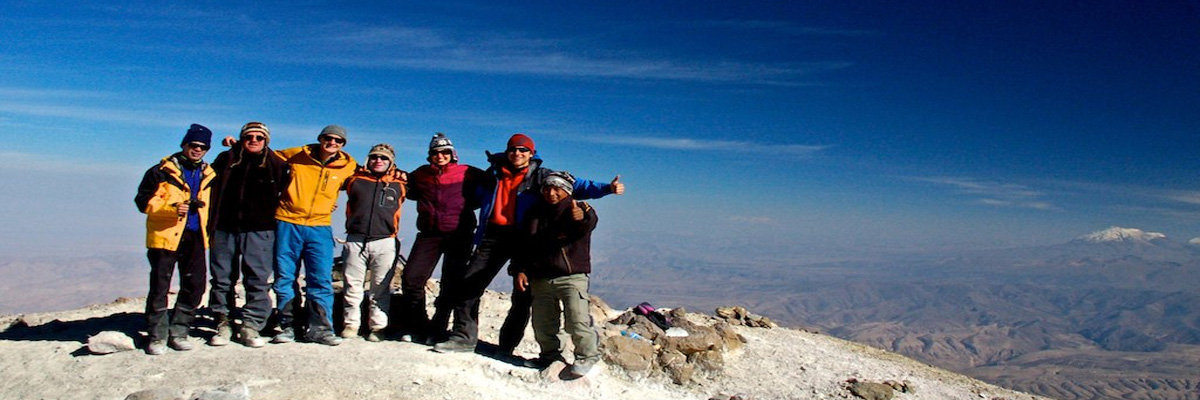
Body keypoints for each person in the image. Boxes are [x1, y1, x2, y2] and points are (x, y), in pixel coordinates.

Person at [433, 133, 624, 354]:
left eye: (523, 150)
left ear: (531, 154)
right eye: (513, 149)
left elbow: (574, 184)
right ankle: (463, 337)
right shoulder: (493, 173)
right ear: (507, 152)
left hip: (525, 238)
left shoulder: (541, 175)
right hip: (492, 236)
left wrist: (607, 188)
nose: (517, 154)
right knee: (469, 284)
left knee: (522, 296)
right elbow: (471, 196)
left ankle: (506, 347)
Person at [270, 125, 358, 346]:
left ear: (342, 145)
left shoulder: (348, 166)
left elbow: (368, 176)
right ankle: (288, 325)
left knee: (320, 278)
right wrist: (236, 147)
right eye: (328, 138)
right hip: (288, 221)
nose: (332, 143)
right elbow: (266, 156)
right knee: (285, 276)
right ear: (320, 139)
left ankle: (319, 328)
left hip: (319, 226)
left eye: (338, 140)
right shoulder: (298, 154)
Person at [205, 122, 289, 348]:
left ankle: (252, 325)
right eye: (248, 137)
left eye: (259, 138)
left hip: (260, 230)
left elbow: (289, 186)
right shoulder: (227, 159)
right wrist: (233, 148)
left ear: (266, 141)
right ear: (242, 139)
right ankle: (223, 321)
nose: (253, 140)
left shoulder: (276, 164)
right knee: (222, 279)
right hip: (224, 227)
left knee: (257, 279)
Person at [134, 124, 215, 355]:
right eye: (194, 145)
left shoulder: (208, 174)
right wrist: (171, 209)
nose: (197, 150)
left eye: (203, 147)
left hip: (196, 236)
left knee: (195, 285)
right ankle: (157, 335)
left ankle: (179, 330)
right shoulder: (159, 171)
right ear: (184, 144)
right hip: (165, 237)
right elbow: (142, 202)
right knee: (160, 286)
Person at [397, 133, 485, 343]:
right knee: (411, 278)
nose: (440, 156)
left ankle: (438, 327)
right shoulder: (421, 174)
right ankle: (418, 324)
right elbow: (406, 187)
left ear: (452, 154)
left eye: (445, 152)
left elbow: (494, 181)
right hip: (429, 234)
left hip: (459, 234)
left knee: (451, 282)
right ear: (430, 155)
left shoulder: (468, 172)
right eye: (435, 152)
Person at [513, 171, 602, 377]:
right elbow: (524, 245)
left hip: (571, 276)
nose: (551, 193)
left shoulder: (577, 208)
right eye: (547, 188)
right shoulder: (535, 213)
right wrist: (520, 270)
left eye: (557, 189)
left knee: (577, 319)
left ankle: (587, 356)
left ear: (568, 191)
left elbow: (588, 221)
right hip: (540, 277)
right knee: (543, 322)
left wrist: (583, 215)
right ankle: (550, 356)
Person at [339, 143, 406, 342]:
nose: (379, 161)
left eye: (384, 158)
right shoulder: (354, 179)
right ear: (368, 159)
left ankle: (377, 327)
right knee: (352, 285)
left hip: (385, 241)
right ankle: (351, 324)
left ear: (391, 162)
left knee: (381, 286)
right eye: (374, 157)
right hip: (355, 239)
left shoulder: (400, 182)